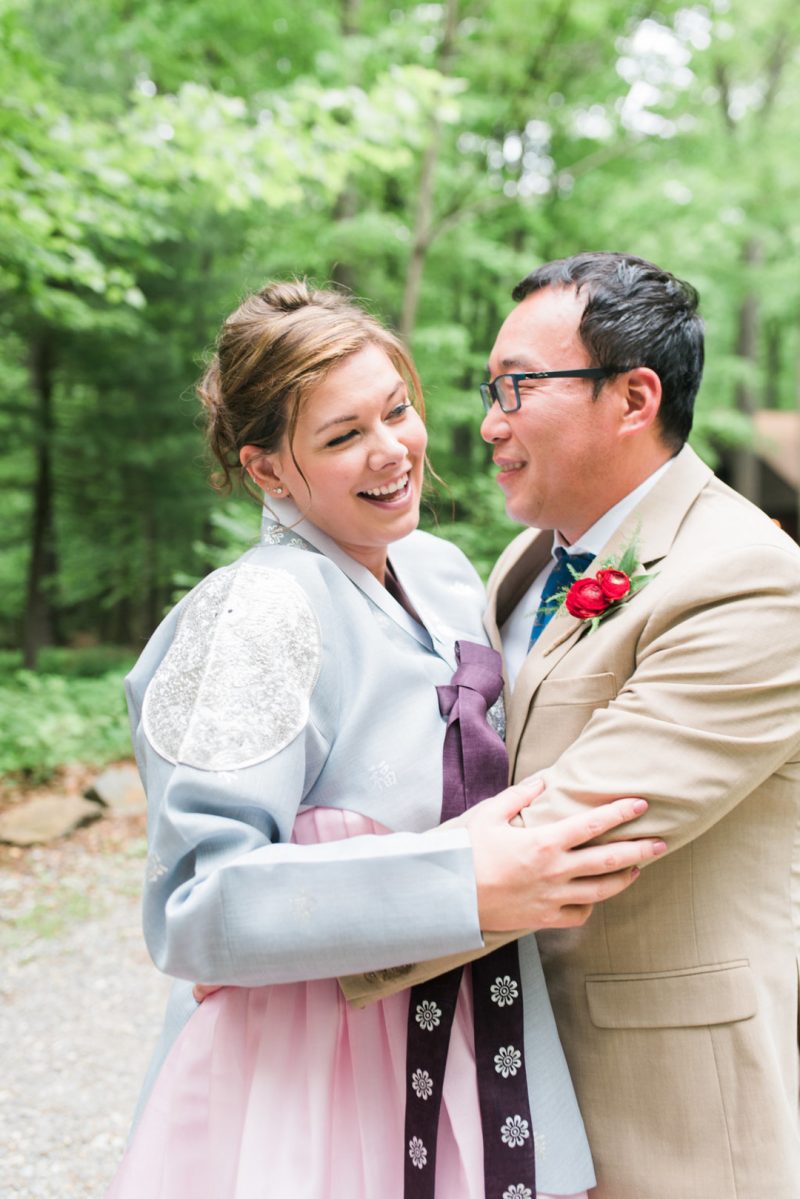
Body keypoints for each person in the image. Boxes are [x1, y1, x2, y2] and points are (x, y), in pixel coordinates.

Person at [103, 280, 665, 1199]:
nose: (391, 451)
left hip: (479, 1029)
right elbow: (197, 904)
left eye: (397, 409)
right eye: (340, 436)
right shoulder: (256, 611)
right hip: (316, 1065)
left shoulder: (443, 574)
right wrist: (461, 879)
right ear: (268, 471)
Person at [353, 252, 800, 1198]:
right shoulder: (525, 557)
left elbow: (574, 831)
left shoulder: (752, 581)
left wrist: (304, 935)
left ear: (633, 398)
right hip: (507, 1077)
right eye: (488, 388)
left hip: (664, 1105)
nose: (487, 424)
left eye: (516, 386)